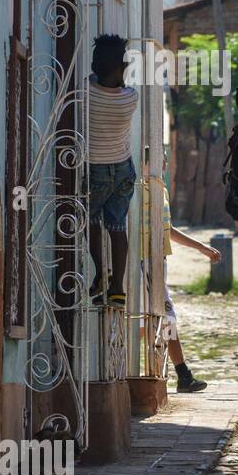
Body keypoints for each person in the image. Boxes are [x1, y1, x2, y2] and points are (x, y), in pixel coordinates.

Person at [140, 179, 221, 392]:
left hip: (158, 261)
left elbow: (169, 229)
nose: (163, 166)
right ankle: (173, 372)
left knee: (166, 320)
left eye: (165, 161)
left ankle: (180, 374)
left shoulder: (161, 190)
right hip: (139, 262)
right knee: (153, 320)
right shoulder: (136, 189)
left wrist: (200, 247)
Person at [87, 34, 139, 307]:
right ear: (120, 68)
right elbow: (120, 84)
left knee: (91, 220)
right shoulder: (130, 98)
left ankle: (99, 275)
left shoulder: (87, 93)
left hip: (96, 169)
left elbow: (95, 81)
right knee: (118, 227)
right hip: (123, 169)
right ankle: (118, 289)